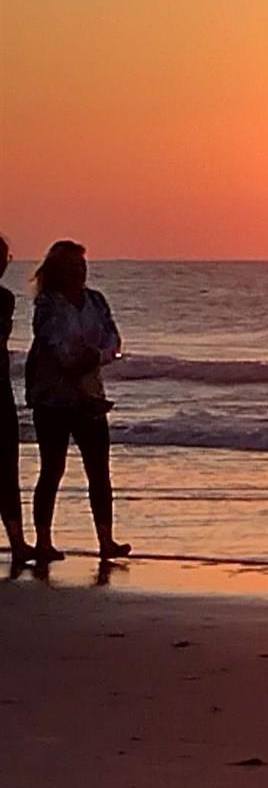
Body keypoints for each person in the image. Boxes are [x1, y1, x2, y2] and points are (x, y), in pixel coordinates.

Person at [27, 239, 127, 564]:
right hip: (54, 398)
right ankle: (43, 540)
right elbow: (54, 346)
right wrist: (79, 358)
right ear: (58, 271)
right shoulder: (47, 305)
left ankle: (106, 539)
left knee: (99, 471)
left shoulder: (95, 301)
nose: (80, 272)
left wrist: (97, 355)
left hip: (90, 395)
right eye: (72, 266)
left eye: (82, 265)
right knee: (52, 469)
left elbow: (113, 338)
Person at [0, 237, 29, 571]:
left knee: (7, 468)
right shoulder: (2, 300)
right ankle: (17, 542)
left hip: (0, 388)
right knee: (6, 469)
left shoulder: (4, 299)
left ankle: (18, 542)